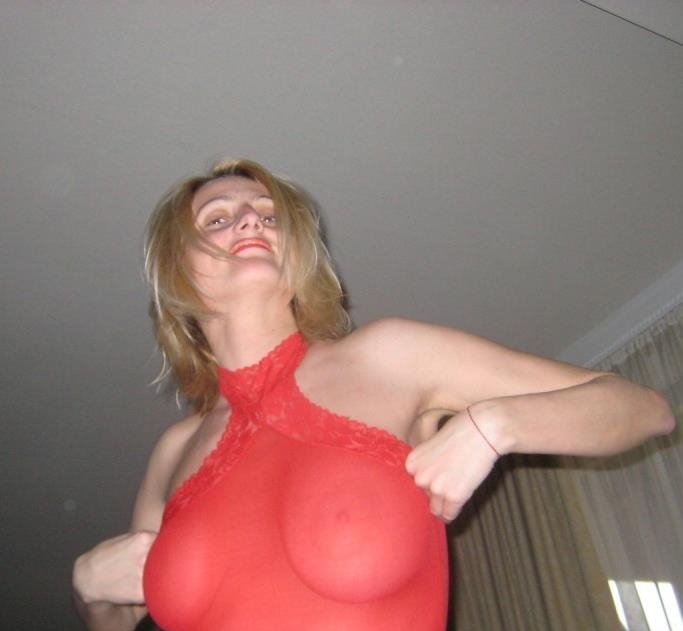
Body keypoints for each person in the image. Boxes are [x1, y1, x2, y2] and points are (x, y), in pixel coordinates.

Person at [72, 158, 674, 631]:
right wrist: (89, 592)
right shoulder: (173, 451)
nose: (252, 221)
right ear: (177, 269)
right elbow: (121, 616)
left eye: (270, 215)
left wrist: (498, 424)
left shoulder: (390, 356)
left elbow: (645, 409)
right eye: (218, 219)